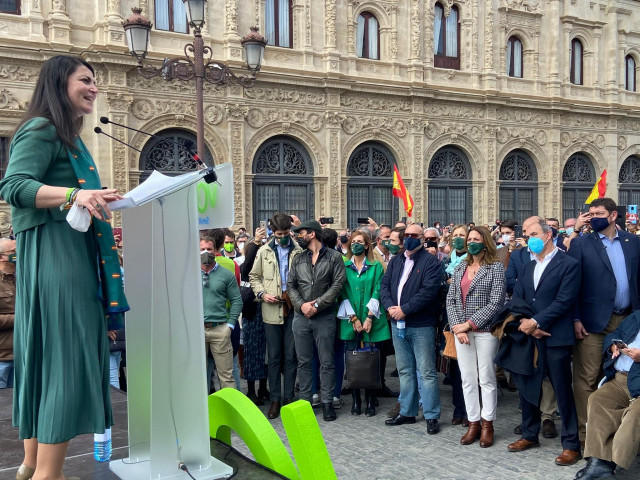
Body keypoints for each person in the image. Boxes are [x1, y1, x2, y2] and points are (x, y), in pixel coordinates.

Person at [0, 55, 128, 480]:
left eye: (95, 81)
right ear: (59, 82)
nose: (93, 87)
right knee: (63, 362)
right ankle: (46, 475)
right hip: (58, 257)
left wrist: (92, 196)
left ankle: (32, 466)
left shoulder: (67, 136)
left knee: (46, 360)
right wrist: (75, 196)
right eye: (85, 80)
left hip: (59, 256)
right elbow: (14, 186)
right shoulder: (42, 128)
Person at [506, 219, 582, 467]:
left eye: (534, 233)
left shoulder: (568, 264)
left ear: (548, 235)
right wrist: (527, 323)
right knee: (528, 385)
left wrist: (537, 322)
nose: (529, 238)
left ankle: (571, 444)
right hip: (530, 336)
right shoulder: (527, 266)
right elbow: (518, 297)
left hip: (556, 336)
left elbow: (564, 300)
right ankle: (530, 434)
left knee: (561, 389)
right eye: (527, 235)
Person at [568, 198, 640, 446]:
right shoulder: (581, 244)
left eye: (598, 213)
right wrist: (576, 317)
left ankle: (618, 436)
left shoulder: (633, 243)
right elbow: (572, 285)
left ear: (612, 216)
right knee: (587, 378)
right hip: (592, 322)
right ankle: (587, 438)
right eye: (590, 213)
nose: (593, 217)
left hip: (628, 321)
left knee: (622, 376)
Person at [446, 227, 505, 447]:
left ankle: (487, 423)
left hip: (485, 331)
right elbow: (451, 299)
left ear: (485, 242)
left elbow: (496, 301)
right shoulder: (461, 266)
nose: (471, 243)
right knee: (467, 379)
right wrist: (457, 327)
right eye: (468, 239)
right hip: (462, 333)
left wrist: (469, 324)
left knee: (486, 378)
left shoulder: (495, 267)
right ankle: (473, 422)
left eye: (475, 239)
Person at [381, 223, 443, 434]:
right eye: (406, 235)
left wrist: (405, 309)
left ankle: (431, 415)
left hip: (421, 324)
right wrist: (390, 307)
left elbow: (429, 292)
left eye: (414, 235)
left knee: (426, 372)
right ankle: (407, 411)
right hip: (397, 323)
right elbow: (385, 286)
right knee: (405, 370)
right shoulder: (397, 260)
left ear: (422, 238)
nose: (409, 238)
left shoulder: (430, 262)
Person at [287, 220, 346, 421]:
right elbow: (291, 285)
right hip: (301, 316)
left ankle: (328, 402)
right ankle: (305, 402)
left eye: (301, 233)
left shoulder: (335, 257)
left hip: (324, 316)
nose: (298, 236)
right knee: (303, 361)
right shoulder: (298, 258)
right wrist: (302, 305)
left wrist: (318, 304)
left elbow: (337, 284)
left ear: (312, 234)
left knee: (327, 361)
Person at [573, 311, 640, 480]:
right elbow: (615, 334)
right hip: (621, 379)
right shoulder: (636, 316)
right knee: (598, 399)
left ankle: (608, 463)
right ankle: (599, 464)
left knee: (636, 414)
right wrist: (613, 346)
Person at [249, 214, 302, 419]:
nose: (283, 237)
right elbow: (253, 276)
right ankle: (275, 399)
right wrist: (262, 294)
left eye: (286, 233)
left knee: (291, 355)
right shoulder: (264, 251)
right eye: (279, 234)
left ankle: (288, 398)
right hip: (271, 309)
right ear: (272, 233)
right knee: (274, 357)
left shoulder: (298, 251)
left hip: (292, 307)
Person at [338, 231, 389, 417]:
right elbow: (342, 291)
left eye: (360, 242)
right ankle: (356, 400)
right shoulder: (343, 266)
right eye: (353, 242)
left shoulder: (375, 267)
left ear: (367, 245)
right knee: (352, 359)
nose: (356, 245)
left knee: (370, 359)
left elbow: (378, 290)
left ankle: (370, 400)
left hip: (371, 318)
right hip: (350, 319)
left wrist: (368, 317)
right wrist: (353, 318)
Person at [201, 245, 242, 391]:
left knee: (226, 376)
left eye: (209, 248)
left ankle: (229, 412)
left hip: (220, 328)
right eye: (202, 248)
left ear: (215, 251)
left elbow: (237, 300)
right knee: (198, 376)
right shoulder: (190, 273)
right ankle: (201, 412)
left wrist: (229, 325)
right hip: (197, 330)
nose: (206, 252)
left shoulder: (226, 274)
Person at [240, 226, 269, 405]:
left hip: (267, 309)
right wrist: (256, 242)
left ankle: (263, 387)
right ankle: (251, 390)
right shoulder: (246, 264)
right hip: (252, 311)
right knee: (252, 352)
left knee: (266, 351)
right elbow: (247, 268)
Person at [0, 237, 16, 389]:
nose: (15, 256)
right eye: (11, 252)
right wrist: (20, 319)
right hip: (2, 357)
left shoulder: (22, 278)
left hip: (22, 354)